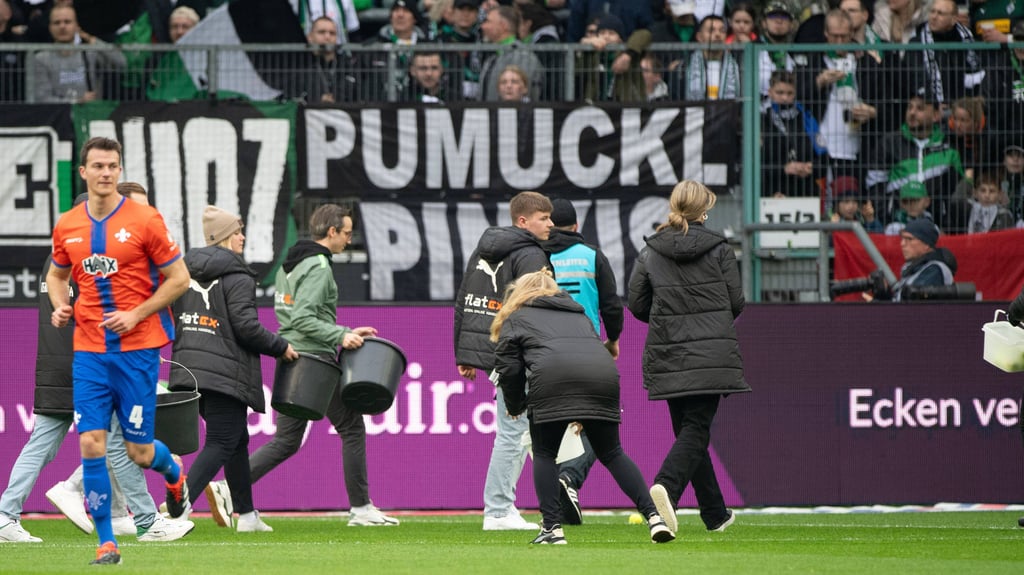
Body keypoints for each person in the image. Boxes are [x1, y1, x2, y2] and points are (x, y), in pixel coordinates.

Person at [47, 137, 192, 565]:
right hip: (89, 351)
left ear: (119, 169)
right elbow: (57, 276)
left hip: (137, 351)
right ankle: (107, 543)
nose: (106, 173)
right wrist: (61, 304)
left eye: (113, 166)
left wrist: (137, 313)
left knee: (138, 452)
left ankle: (174, 473)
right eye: (98, 166)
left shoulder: (146, 220)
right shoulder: (67, 224)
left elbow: (179, 278)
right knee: (91, 442)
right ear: (84, 172)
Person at [240, 204, 398, 527]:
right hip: (314, 359)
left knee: (286, 441)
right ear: (331, 233)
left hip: (294, 355)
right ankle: (361, 508)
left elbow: (297, 316)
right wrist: (341, 335)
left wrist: (346, 332)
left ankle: (230, 487)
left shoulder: (291, 263)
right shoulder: (319, 266)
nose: (348, 240)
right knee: (352, 427)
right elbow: (304, 317)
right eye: (347, 233)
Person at [490, 270, 674, 545]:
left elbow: (509, 369)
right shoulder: (578, 314)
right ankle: (654, 518)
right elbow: (590, 352)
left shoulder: (516, 318)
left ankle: (552, 528)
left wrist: (515, 405)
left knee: (544, 453)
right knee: (612, 453)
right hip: (602, 379)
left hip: (552, 381)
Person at [627, 180, 750, 535]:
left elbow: (637, 304)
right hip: (711, 350)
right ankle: (666, 485)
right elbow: (736, 301)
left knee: (688, 432)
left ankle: (714, 513)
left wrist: (668, 318)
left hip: (669, 350)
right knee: (695, 431)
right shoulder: (720, 248)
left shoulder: (651, 250)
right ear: (705, 211)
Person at [167, 206, 298, 532]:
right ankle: (176, 511)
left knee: (236, 440)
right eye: (237, 231)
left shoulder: (183, 271)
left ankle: (247, 515)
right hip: (223, 371)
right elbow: (247, 328)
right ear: (224, 238)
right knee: (222, 442)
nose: (242, 236)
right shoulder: (237, 276)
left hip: (189, 369)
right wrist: (281, 347)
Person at [454, 191, 552, 531]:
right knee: (513, 432)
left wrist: (465, 353)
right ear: (523, 221)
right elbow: (536, 308)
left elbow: (466, 302)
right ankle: (497, 510)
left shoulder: (483, 248)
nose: (550, 225)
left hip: (497, 351)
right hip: (519, 352)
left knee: (514, 431)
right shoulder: (530, 254)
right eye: (544, 218)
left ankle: (501, 507)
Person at [541, 198, 623, 526]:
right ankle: (570, 479)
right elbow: (612, 305)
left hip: (543, 349)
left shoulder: (536, 255)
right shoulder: (591, 255)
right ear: (576, 226)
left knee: (545, 427)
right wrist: (613, 339)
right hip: (587, 348)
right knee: (595, 420)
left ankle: (538, 501)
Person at [32, 4, 125, 102]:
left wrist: (92, 40)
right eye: (57, 23)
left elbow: (120, 63)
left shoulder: (89, 54)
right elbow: (42, 98)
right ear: (50, 27)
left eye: (67, 22)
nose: (62, 26)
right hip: (56, 115)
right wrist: (77, 101)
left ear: (76, 26)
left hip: (90, 113)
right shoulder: (41, 59)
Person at [761, 69, 826, 198]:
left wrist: (810, 167)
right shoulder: (762, 122)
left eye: (789, 93)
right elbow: (757, 166)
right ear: (770, 93)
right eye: (780, 93)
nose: (785, 98)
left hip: (806, 193)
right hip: (774, 193)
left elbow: (824, 161)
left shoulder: (806, 119)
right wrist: (784, 169)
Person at [874, 218, 957, 301]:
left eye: (909, 239)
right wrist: (885, 294)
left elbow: (913, 306)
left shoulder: (935, 270)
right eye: (902, 238)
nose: (902, 244)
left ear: (926, 244)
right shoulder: (914, 268)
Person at [577, 14, 651, 103]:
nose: (606, 36)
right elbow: (577, 70)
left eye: (611, 33)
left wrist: (627, 56)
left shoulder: (629, 52)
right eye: (602, 33)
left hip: (627, 105)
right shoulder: (593, 54)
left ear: (620, 39)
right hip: (597, 106)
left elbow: (644, 34)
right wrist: (585, 43)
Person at [477, 5, 544, 101]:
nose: (483, 26)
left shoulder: (523, 57)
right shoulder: (492, 57)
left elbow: (528, 95)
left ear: (503, 25)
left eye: (488, 21)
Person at [677, 15, 740, 102]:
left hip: (728, 114)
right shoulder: (685, 66)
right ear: (699, 37)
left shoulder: (737, 66)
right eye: (711, 30)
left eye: (722, 30)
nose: (718, 34)